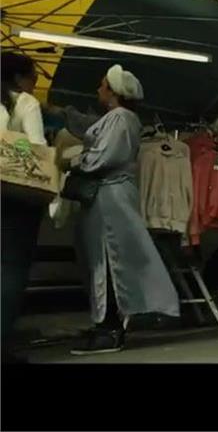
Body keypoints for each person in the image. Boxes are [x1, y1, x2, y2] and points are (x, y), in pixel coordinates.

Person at [45, 65, 180, 355]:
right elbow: (89, 129)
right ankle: (105, 323)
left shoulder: (121, 119)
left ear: (113, 91)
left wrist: (71, 162)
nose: (98, 90)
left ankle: (109, 329)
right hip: (108, 198)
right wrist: (63, 113)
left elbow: (102, 156)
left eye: (102, 85)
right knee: (104, 260)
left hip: (111, 199)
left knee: (109, 260)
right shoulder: (116, 119)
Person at [0, 52, 46, 364]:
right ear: (18, 78)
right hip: (14, 196)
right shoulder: (25, 103)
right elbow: (36, 148)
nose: (35, 83)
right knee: (11, 269)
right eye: (32, 77)